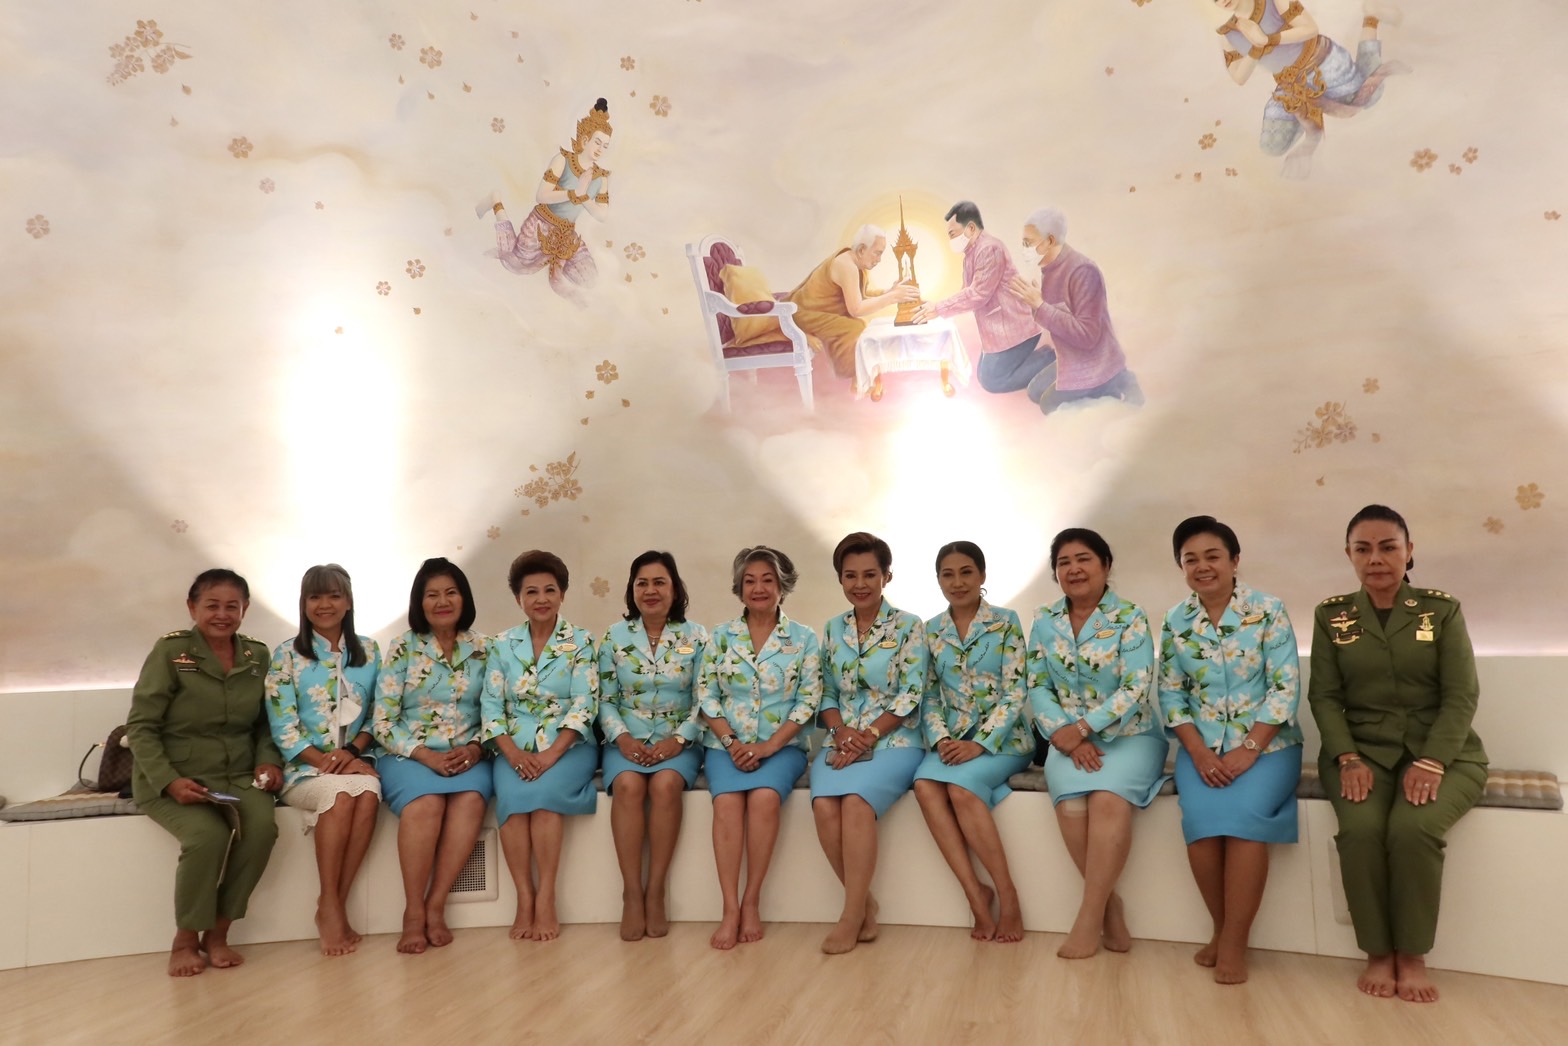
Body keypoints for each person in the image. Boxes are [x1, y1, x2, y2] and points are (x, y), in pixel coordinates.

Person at [1308, 504, 1487, 1003]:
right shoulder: (1331, 615)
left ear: (1409, 552)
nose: (1376, 559)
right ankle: (1376, 952)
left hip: (1445, 754)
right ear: (1349, 555)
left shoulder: (1440, 610)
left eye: (1388, 547)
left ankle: (1411, 955)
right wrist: (1347, 758)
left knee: (1413, 829)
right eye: (1363, 549)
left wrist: (1432, 761)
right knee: (1361, 831)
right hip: (1360, 754)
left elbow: (1461, 695)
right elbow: (1324, 697)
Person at [1158, 516, 1303, 985]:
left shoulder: (1268, 609)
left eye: (1212, 556)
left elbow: (1285, 687)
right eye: (1191, 559)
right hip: (1200, 747)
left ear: (1234, 560)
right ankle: (1222, 930)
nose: (1202, 566)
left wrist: (1250, 748)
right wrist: (1198, 753)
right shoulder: (1176, 620)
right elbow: (1171, 694)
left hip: (1270, 746)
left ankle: (1235, 944)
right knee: (1201, 825)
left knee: (1243, 823)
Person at [127, 568, 282, 977]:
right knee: (207, 836)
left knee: (262, 830)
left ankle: (218, 931)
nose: (222, 614)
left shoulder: (257, 656)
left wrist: (269, 760)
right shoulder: (172, 652)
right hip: (176, 776)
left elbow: (266, 724)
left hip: (237, 775)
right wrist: (169, 780)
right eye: (212, 605)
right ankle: (185, 938)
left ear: (245, 609)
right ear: (192, 607)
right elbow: (141, 727)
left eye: (232, 606)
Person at [1027, 529, 1168, 959]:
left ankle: (1088, 920)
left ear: (1105, 565)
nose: (1074, 569)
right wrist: (1066, 735)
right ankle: (1109, 906)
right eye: (1064, 562)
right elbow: (1037, 685)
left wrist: (1085, 728)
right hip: (1065, 740)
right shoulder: (1044, 620)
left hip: (1131, 735)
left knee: (1107, 799)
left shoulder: (1129, 616)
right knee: (1072, 804)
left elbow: (1137, 685)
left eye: (1084, 559)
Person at [696, 545, 822, 950]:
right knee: (727, 803)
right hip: (725, 747)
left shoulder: (803, 638)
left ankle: (752, 900)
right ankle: (729, 908)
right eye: (749, 581)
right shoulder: (720, 636)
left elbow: (808, 700)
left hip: (782, 747)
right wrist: (731, 742)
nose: (759, 588)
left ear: (783, 586)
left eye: (768, 580)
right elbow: (706, 696)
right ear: (739, 588)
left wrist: (769, 746)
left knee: (765, 798)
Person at [810, 532, 929, 955]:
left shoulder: (909, 626)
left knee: (856, 804)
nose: (859, 584)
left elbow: (911, 693)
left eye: (869, 574)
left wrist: (869, 735)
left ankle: (850, 915)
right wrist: (840, 732)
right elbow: (825, 691)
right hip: (841, 740)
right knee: (824, 806)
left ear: (886, 576)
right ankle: (865, 905)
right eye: (850, 575)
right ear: (840, 579)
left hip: (896, 740)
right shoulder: (833, 628)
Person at [913, 541, 1034, 942]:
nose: (958, 582)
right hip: (952, 740)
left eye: (966, 572)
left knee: (961, 790)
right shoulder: (931, 630)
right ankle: (974, 893)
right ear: (938, 580)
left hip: (1005, 741)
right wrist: (942, 739)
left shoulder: (1005, 622)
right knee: (925, 785)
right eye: (947, 574)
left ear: (982, 575)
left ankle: (1008, 895)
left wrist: (979, 743)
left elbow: (1015, 691)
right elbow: (929, 694)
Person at [373, 557, 493, 954]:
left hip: (468, 755)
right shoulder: (402, 648)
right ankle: (412, 911)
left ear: (464, 598)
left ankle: (436, 904)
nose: (442, 602)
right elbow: (383, 722)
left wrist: (476, 748)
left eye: (451, 592)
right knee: (426, 804)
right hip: (408, 755)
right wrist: (425, 755)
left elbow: (498, 711)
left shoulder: (486, 649)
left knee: (471, 800)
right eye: (432, 595)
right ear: (419, 602)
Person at [264, 564, 383, 957]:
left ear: (348, 602)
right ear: (304, 603)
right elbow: (283, 727)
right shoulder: (286, 655)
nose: (325, 604)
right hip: (303, 769)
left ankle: (332, 904)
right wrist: (330, 763)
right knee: (341, 795)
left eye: (334, 595)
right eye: (315, 596)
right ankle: (330, 906)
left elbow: (378, 717)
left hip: (356, 761)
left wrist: (351, 755)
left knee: (368, 793)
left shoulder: (370, 652)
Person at [482, 550, 599, 943]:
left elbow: (585, 705)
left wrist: (550, 755)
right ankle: (525, 898)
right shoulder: (502, 644)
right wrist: (513, 753)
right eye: (531, 591)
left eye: (550, 590)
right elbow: (491, 707)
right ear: (519, 599)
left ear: (562, 594)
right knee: (514, 801)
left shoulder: (581, 641)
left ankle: (546, 896)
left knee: (545, 799)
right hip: (513, 747)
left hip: (569, 746)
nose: (541, 598)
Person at [598, 550, 708, 941]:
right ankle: (631, 893)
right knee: (628, 786)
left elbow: (705, 698)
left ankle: (656, 890)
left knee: (664, 785)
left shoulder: (696, 636)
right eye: (641, 583)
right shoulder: (614, 637)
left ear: (674, 588)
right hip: (625, 739)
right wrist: (623, 738)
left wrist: (679, 739)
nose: (650, 590)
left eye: (659, 582)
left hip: (679, 741)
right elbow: (604, 699)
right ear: (632, 590)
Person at [1207, 1, 1405, 178]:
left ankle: (1371, 18)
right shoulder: (1228, 34)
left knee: (1366, 98)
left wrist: (1267, 39)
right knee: (1271, 146)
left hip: (1321, 62)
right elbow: (1239, 77)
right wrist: (1256, 47)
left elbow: (1310, 29)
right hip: (1290, 86)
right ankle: (1310, 117)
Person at [1005, 207, 1144, 414]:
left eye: (1028, 243)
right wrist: (1035, 304)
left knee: (1049, 406)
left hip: (1095, 363)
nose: (1023, 249)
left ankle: (1115, 383)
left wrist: (1040, 306)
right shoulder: (1051, 267)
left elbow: (1088, 336)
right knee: (1035, 391)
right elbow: (1057, 315)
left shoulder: (1082, 271)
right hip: (1071, 356)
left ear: (1050, 241)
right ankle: (1112, 383)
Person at [480, 97, 612, 306]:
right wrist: (573, 193)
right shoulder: (563, 160)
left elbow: (602, 215)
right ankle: (496, 202)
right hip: (541, 225)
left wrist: (584, 196)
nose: (600, 149)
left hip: (567, 234)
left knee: (589, 278)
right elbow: (541, 196)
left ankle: (561, 275)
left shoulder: (600, 177)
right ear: (585, 139)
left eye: (605, 145)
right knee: (517, 265)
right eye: (597, 142)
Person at [911, 201, 1052, 395]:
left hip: (1014, 328)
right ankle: (1044, 358)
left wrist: (938, 308)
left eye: (952, 234)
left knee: (992, 381)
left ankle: (1050, 359)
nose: (950, 240)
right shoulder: (971, 253)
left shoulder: (989, 249)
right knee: (984, 375)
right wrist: (935, 307)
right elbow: (965, 292)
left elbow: (977, 294)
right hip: (997, 332)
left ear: (970, 228)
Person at [785, 225, 920, 379]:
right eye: (877, 253)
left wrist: (889, 291)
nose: (879, 260)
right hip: (805, 314)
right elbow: (856, 309)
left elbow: (860, 295)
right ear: (861, 250)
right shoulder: (846, 265)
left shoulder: (854, 262)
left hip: (817, 312)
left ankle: (861, 376)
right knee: (855, 327)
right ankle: (854, 377)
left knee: (863, 327)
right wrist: (892, 297)